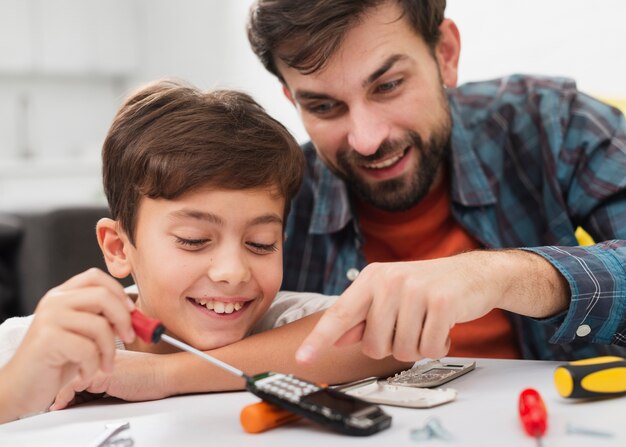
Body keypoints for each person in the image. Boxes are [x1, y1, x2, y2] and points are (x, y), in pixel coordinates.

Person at [245, 0, 626, 364]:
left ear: (445, 54)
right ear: (293, 101)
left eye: (388, 85)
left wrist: (502, 276)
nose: (367, 140)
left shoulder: (553, 122)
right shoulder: (276, 195)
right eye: (323, 107)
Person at [0, 80, 404, 415]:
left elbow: (389, 342)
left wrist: (164, 375)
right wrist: (18, 384)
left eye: (261, 244)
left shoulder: (284, 321)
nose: (233, 271)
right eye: (193, 241)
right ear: (119, 248)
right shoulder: (43, 345)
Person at [0, 269, 135, 423]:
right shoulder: (21, 348)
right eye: (170, 243)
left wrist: (165, 372)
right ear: (117, 250)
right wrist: (10, 394)